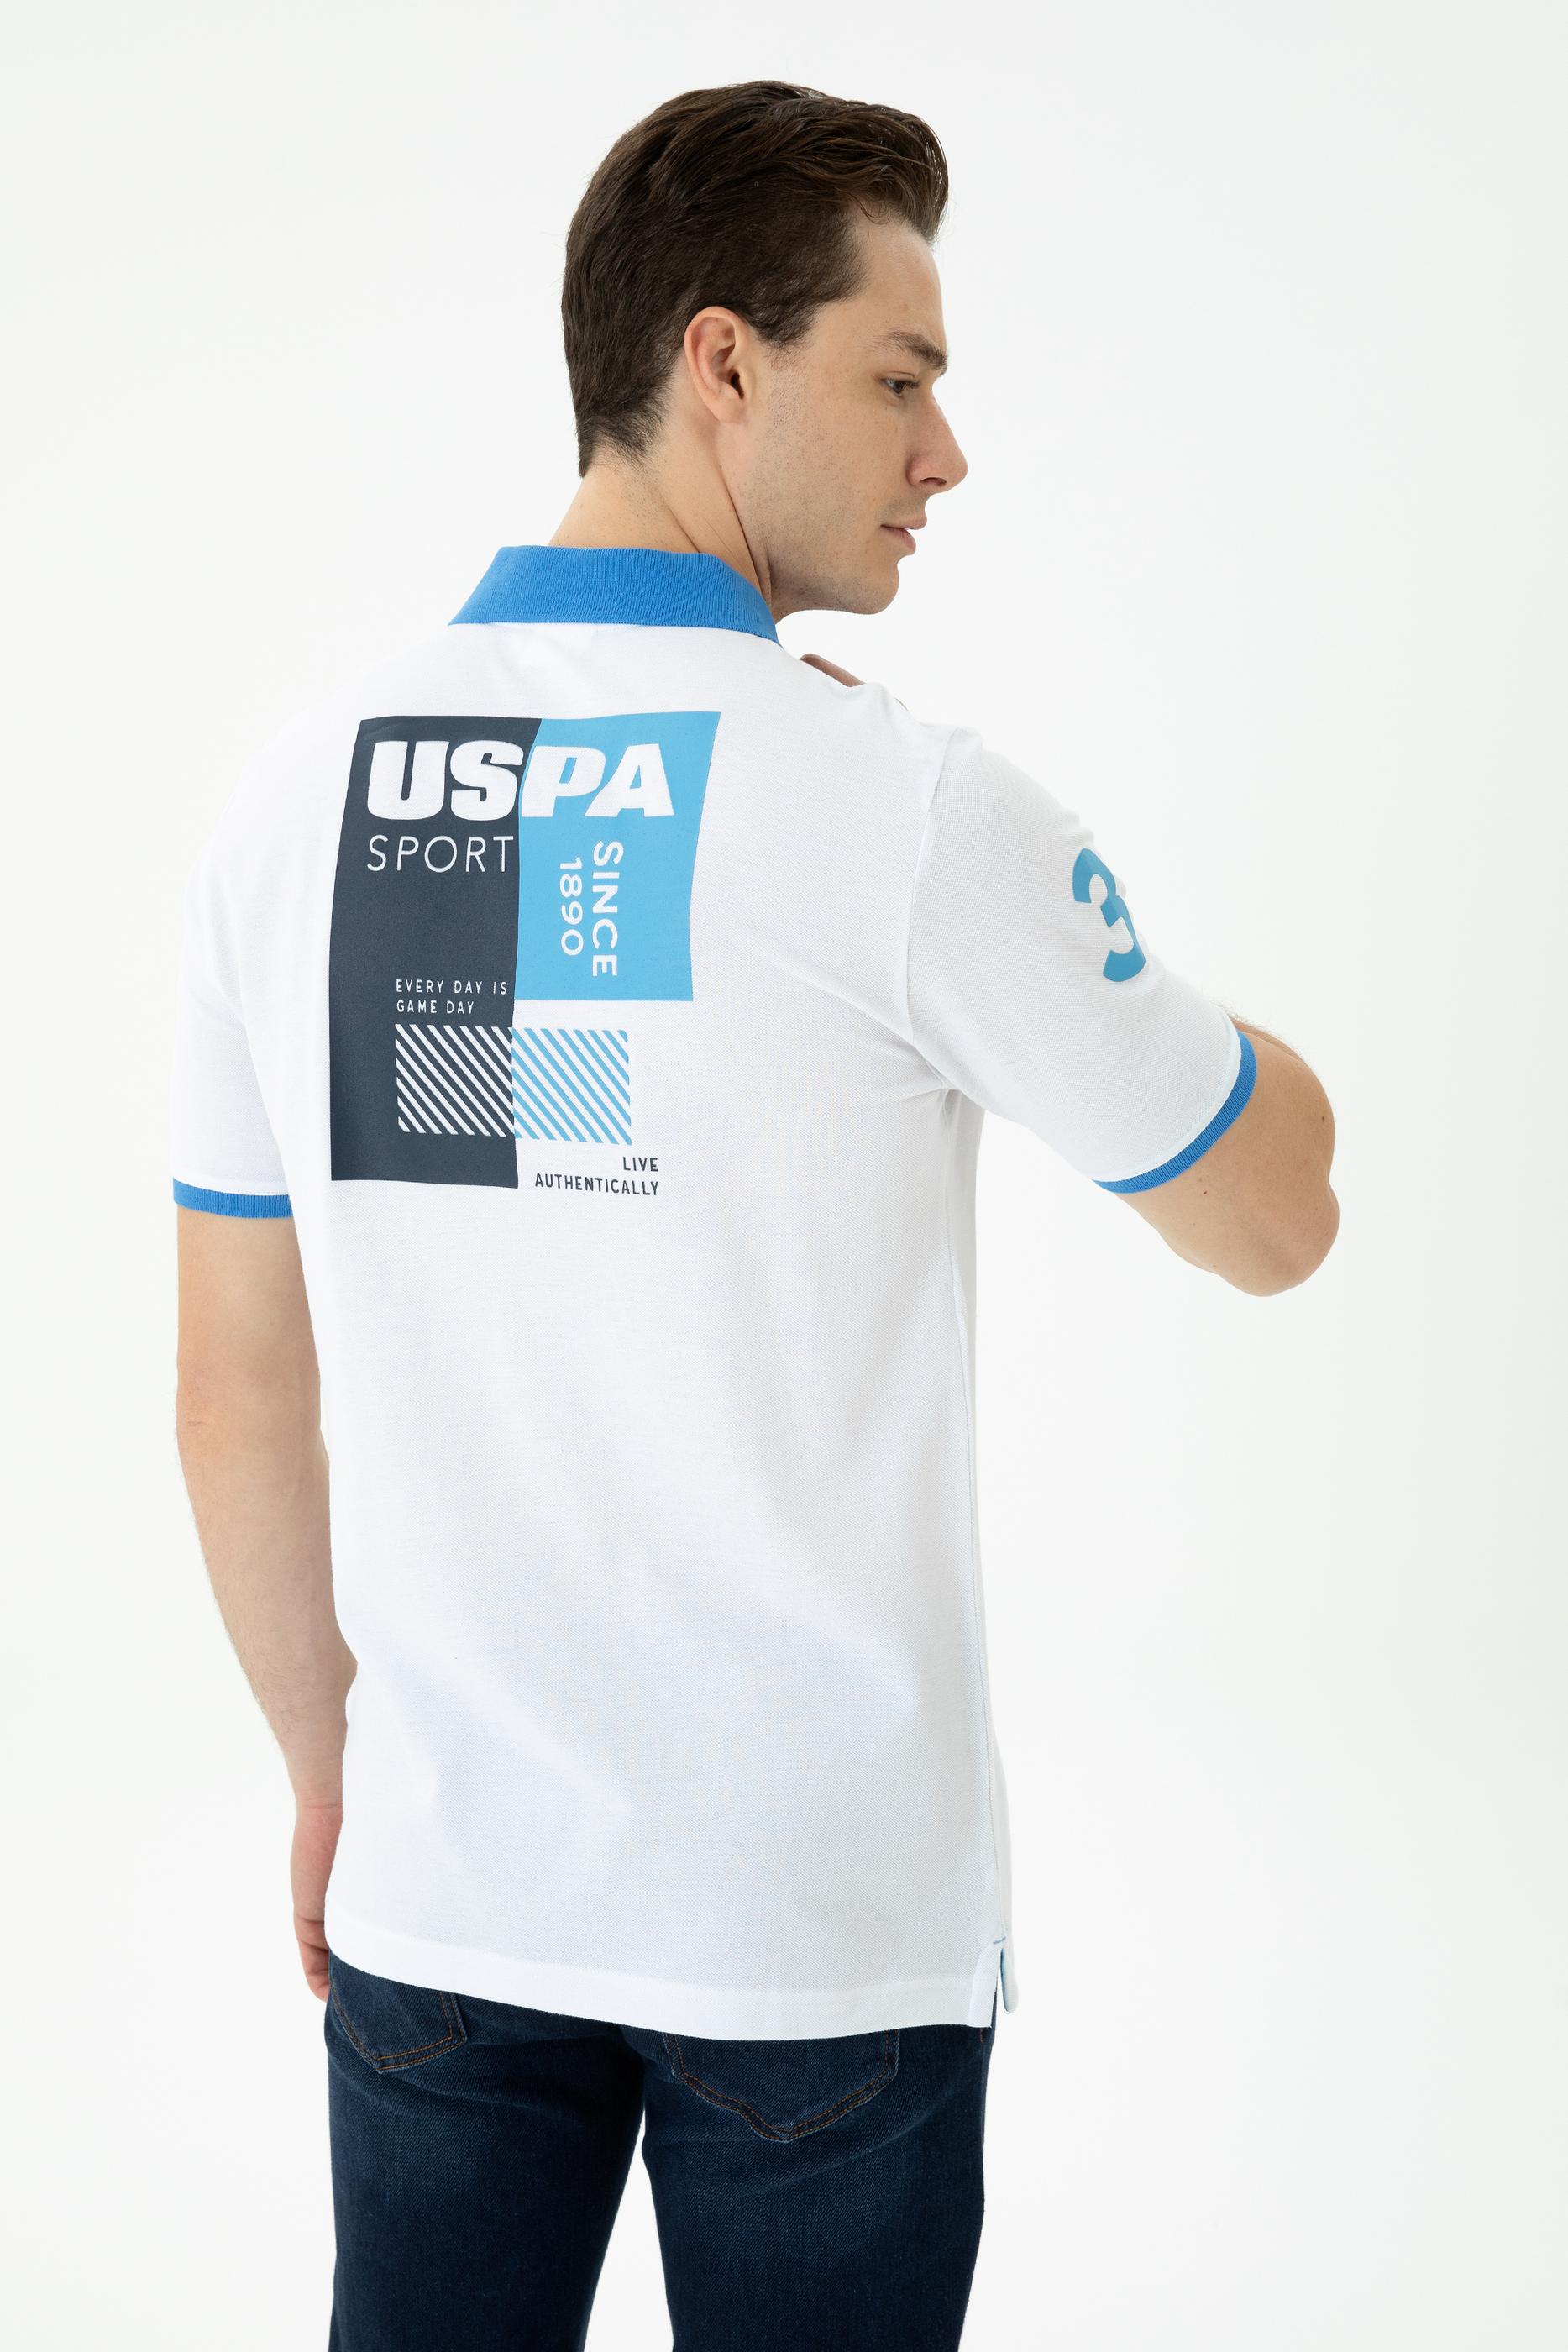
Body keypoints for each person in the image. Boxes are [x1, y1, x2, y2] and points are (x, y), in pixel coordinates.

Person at [170, 78, 1338, 2352]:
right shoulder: (898, 808)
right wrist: (1133, 985)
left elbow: (234, 1387)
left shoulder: (296, 798)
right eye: (899, 377)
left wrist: (332, 1771)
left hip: (445, 1900)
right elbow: (1272, 1218)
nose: (945, 453)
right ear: (722, 360)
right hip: (810, 1945)